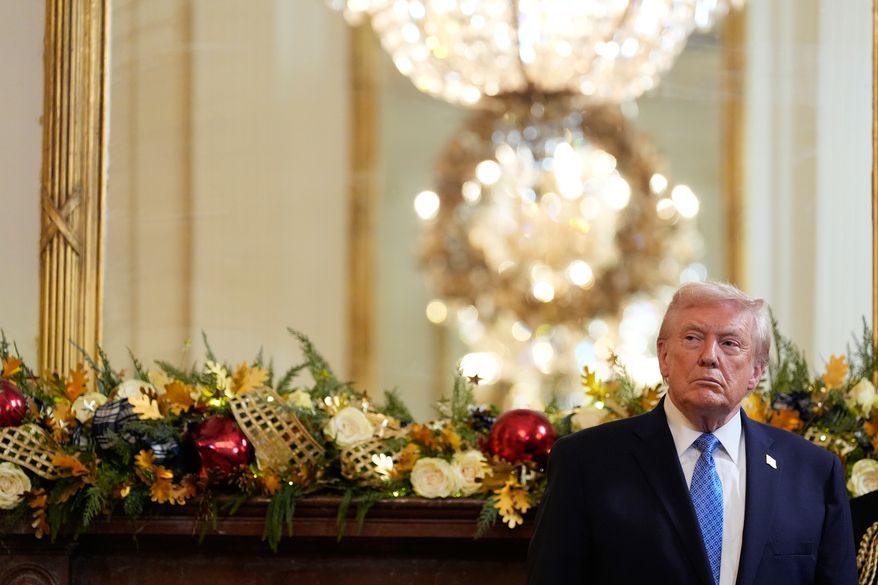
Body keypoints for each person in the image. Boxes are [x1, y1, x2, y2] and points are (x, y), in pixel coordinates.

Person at [526, 281, 857, 585]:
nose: (709, 357)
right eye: (693, 338)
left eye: (729, 343)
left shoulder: (813, 472)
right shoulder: (587, 462)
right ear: (664, 357)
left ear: (755, 372)